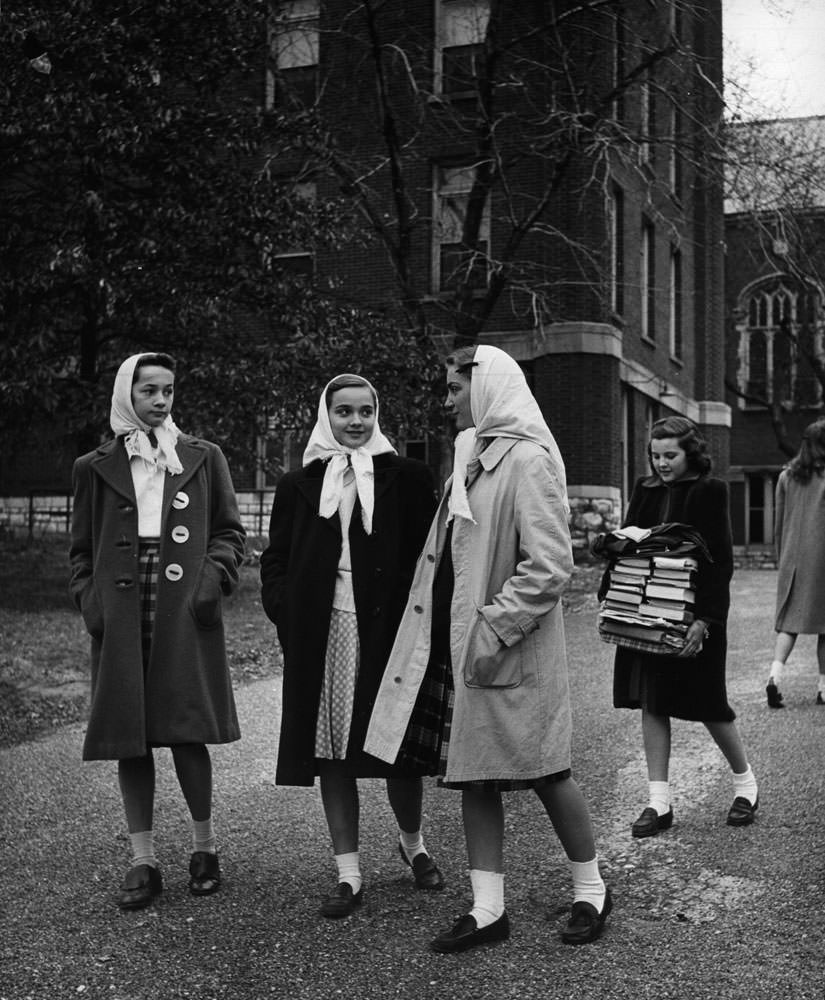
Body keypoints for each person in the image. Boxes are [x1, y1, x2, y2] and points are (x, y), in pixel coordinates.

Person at [364, 345, 610, 953]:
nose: (446, 400)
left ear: (487, 387)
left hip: (507, 649)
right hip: (461, 646)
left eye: (454, 389)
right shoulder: (470, 459)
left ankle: (592, 889)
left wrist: (494, 628)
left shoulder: (528, 460)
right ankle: (487, 908)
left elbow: (551, 567)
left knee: (548, 771)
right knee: (474, 778)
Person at [259, 374, 443, 919]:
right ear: (327, 416)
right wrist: (285, 608)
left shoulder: (407, 477)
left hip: (389, 633)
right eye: (343, 412)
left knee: (396, 750)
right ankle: (349, 872)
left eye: (365, 411)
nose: (355, 421)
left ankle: (414, 845)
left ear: (376, 414)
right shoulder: (299, 484)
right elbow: (277, 557)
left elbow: (427, 555)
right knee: (332, 751)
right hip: (324, 632)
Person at [70, 352, 245, 910]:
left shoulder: (201, 456)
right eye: (149, 390)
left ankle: (204, 847)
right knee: (131, 731)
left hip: (183, 602)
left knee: (187, 727)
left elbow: (229, 533)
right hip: (121, 605)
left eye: (168, 390)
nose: (161, 400)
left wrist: (210, 582)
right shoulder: (93, 466)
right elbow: (80, 550)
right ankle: (143, 858)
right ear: (128, 394)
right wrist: (91, 601)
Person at [607, 416, 759, 837]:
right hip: (646, 612)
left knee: (710, 703)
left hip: (695, 615)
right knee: (652, 701)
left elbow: (720, 560)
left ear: (690, 452)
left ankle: (746, 785)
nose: (661, 463)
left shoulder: (711, 490)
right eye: (655, 455)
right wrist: (613, 588)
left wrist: (706, 620)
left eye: (670, 455)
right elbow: (627, 549)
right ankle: (659, 802)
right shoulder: (645, 489)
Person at [764, 417, 825, 708]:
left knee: (789, 623)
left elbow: (778, 524)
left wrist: (782, 558)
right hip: (822, 561)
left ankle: (775, 676)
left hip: (793, 558)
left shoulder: (786, 476)